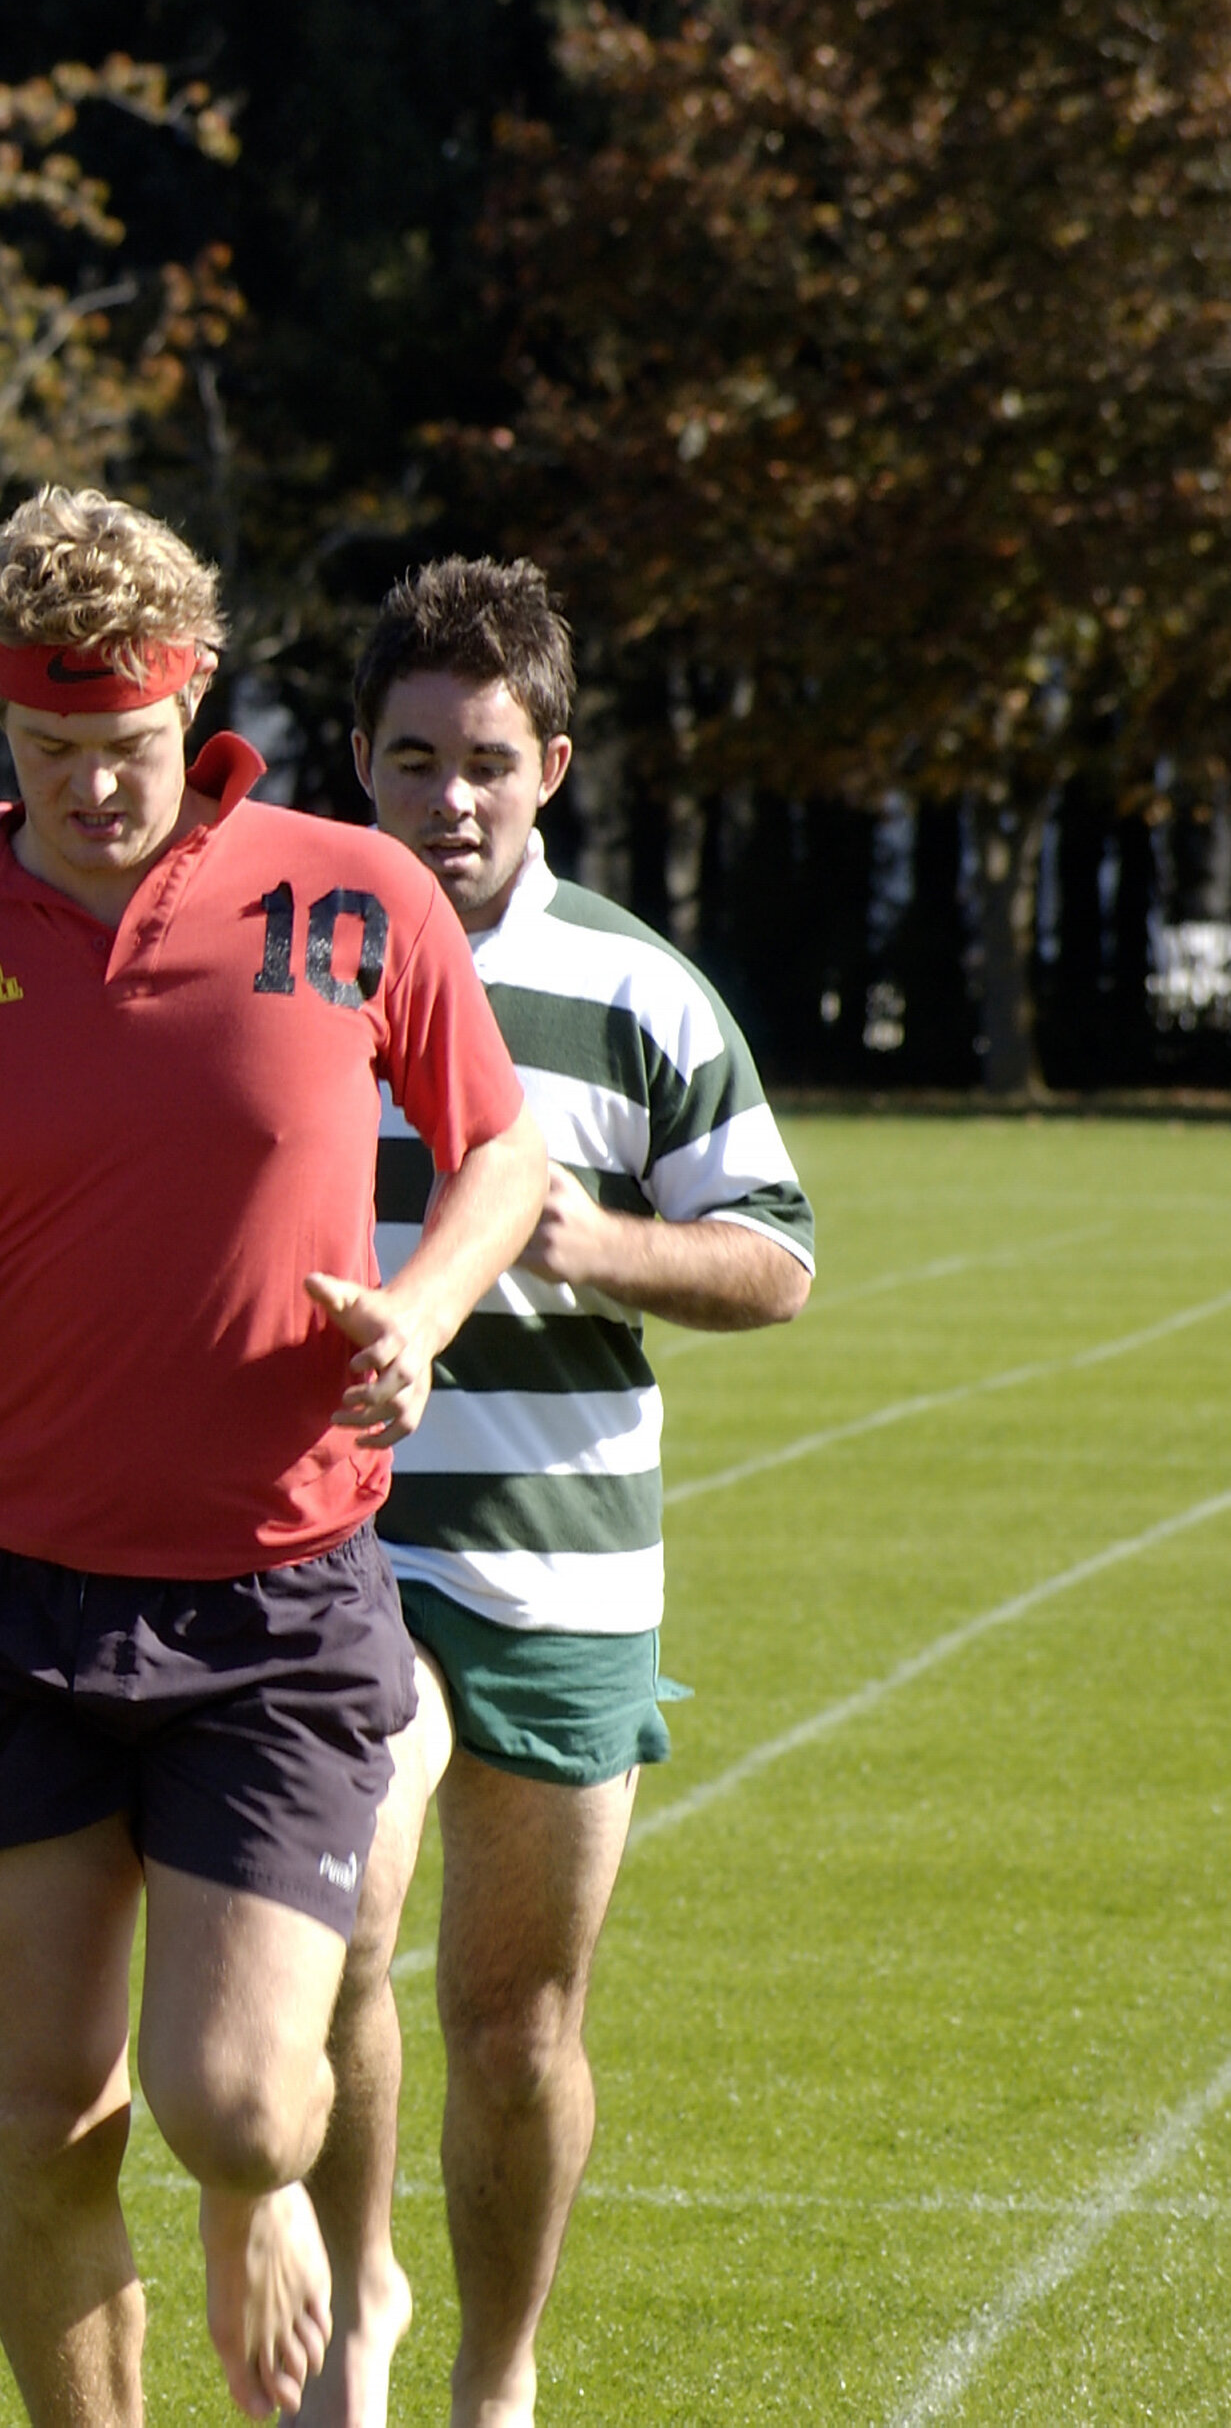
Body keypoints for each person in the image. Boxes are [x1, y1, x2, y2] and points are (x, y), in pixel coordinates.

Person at [0, 484, 549, 2425]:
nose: (94, 789)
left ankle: (262, 2200)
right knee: (39, 2114)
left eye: (130, 748)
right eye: (48, 750)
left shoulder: (351, 897)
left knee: (239, 2098)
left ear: (198, 705)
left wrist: (415, 1317)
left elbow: (498, 1150)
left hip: (274, 1596)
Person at [295, 559, 813, 2428]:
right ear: (358, 760)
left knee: (515, 2028)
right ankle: (356, 2306)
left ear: (556, 767)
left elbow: (776, 1257)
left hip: (566, 1561)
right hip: (335, 1540)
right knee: (347, 1915)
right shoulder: (287, 959)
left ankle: (493, 2378)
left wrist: (590, 1239)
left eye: (487, 760)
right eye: (414, 756)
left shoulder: (639, 990)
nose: (450, 796)